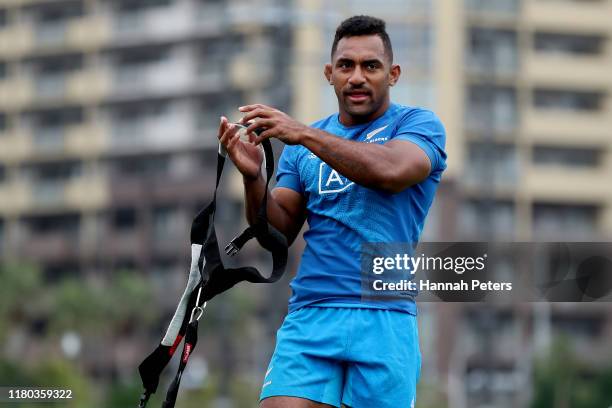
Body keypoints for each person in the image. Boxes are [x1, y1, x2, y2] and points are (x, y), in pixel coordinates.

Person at [217, 15, 446, 408]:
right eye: (346, 65)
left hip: (384, 317)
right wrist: (254, 178)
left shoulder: (418, 125)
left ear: (392, 74)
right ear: (329, 73)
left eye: (370, 66)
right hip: (312, 313)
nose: (357, 76)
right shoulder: (301, 148)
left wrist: (303, 133)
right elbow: (277, 233)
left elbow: (389, 172)